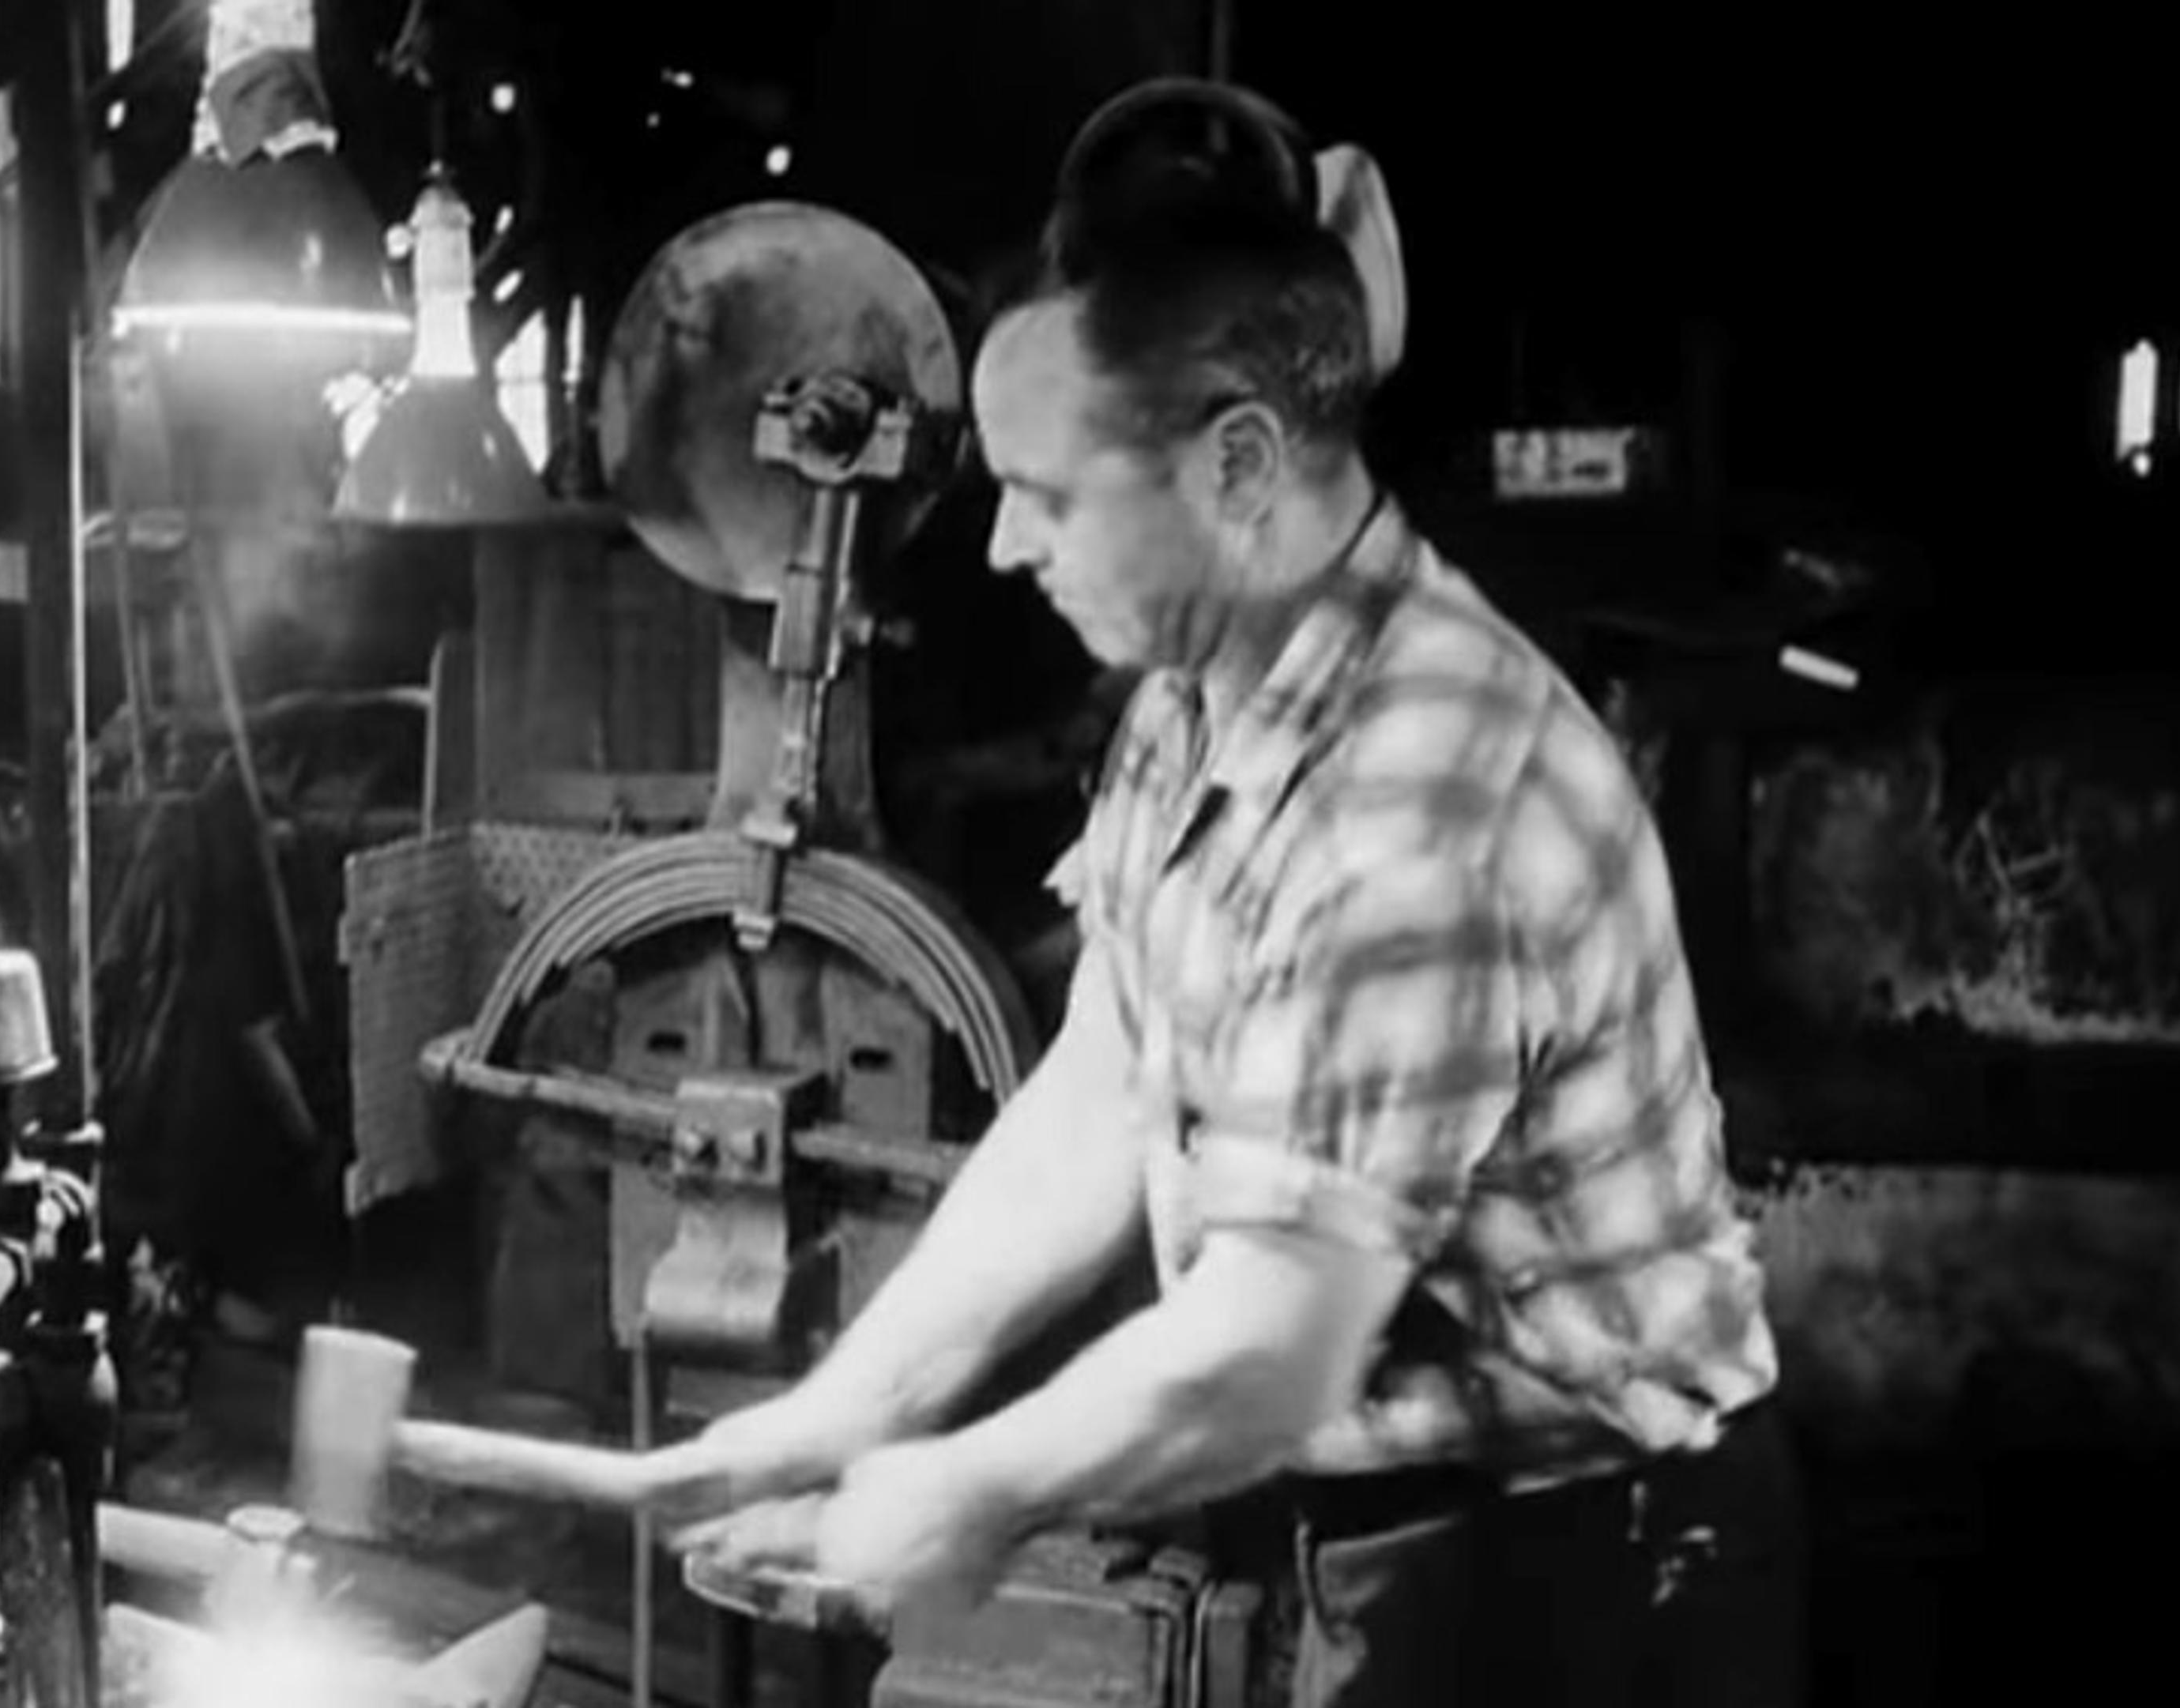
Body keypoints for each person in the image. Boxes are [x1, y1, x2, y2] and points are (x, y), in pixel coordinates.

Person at [650, 81, 1804, 1707]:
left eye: (1046, 492)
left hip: (1590, 1571)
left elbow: (1270, 1349)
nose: (999, 551)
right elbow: (1107, 1084)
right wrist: (857, 1399)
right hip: (1396, 1528)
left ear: (1240, 463)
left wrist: (970, 1487)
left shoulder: (1419, 799)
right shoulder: (1194, 699)